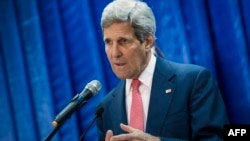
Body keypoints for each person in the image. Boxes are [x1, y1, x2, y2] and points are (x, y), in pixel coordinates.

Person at [96, 0, 229, 140]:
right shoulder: (105, 108)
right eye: (108, 42)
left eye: (123, 41)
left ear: (147, 41)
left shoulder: (194, 81)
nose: (114, 53)